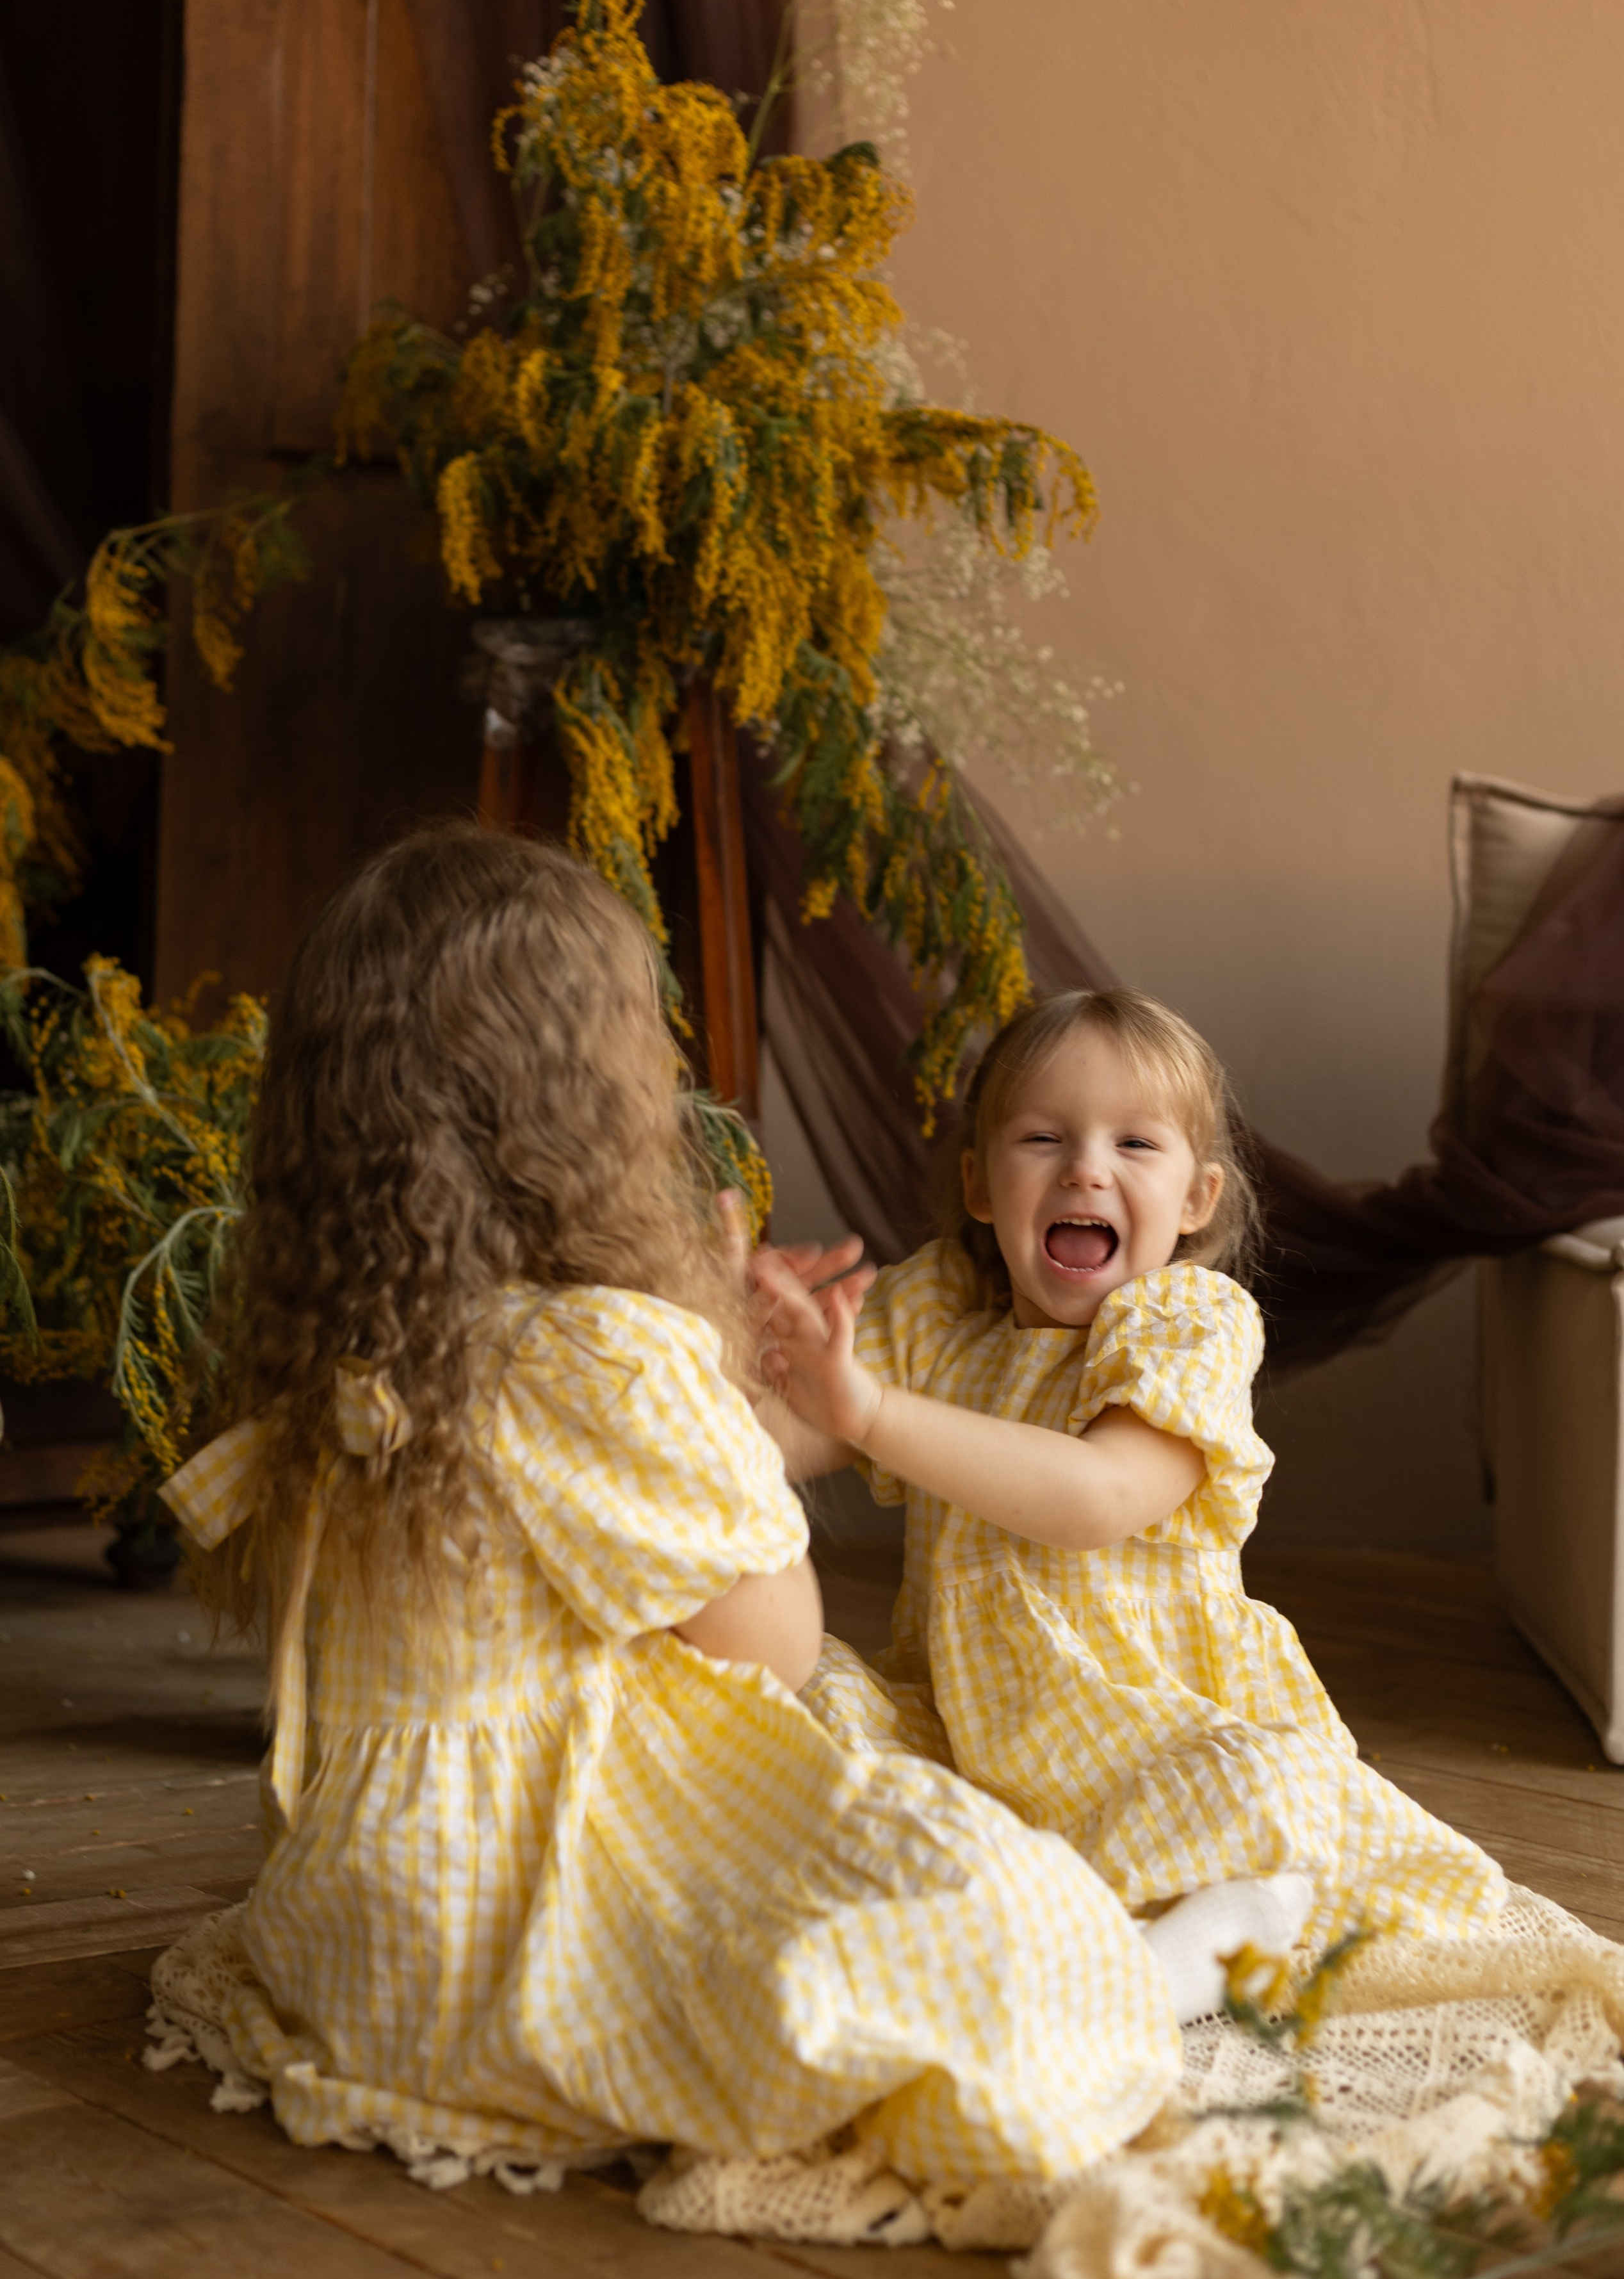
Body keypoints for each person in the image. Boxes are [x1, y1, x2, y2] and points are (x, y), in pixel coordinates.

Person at [159, 830, 1288, 2199]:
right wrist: (693, 1354)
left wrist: (709, 1361)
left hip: (364, 1938)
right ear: (584, 1104)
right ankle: (1157, 1972)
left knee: (879, 1816)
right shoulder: (601, 1351)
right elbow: (768, 1645)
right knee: (963, 1901)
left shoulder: (380, 1343)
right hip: (520, 1914)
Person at [756, 988, 1507, 1961]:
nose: (1086, 1169)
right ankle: (1021, 1911)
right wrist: (733, 1355)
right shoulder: (936, 1313)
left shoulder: (1187, 1325)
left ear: (1198, 1199)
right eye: (1042, 1139)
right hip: (967, 1733)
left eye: (1135, 1146)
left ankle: (1162, 1972)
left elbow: (1095, 1498)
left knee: (1263, 1790)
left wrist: (872, 1413)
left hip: (1150, 1724)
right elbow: (777, 1442)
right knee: (817, 1703)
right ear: (982, 1189)